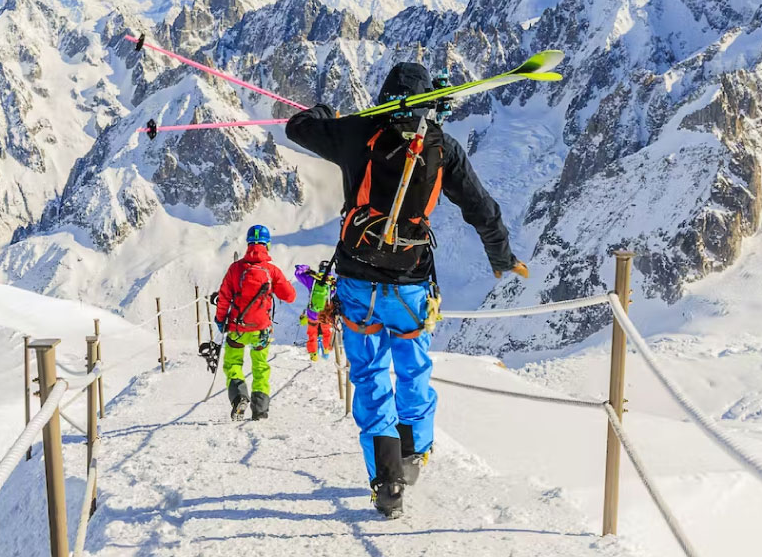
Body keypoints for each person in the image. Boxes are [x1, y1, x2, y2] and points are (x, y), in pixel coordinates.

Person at [285, 62, 530, 518]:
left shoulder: (357, 132)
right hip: (411, 283)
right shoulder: (441, 145)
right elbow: (480, 206)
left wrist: (322, 113)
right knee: (412, 368)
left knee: (370, 376)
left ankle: (386, 479)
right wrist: (500, 255)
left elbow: (297, 128)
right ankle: (414, 453)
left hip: (358, 279)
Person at [214, 224, 297, 421]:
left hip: (237, 327)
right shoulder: (271, 270)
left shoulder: (236, 268)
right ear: (267, 244)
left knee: (233, 362)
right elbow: (291, 296)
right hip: (261, 329)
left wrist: (220, 319)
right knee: (260, 367)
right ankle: (259, 410)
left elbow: (224, 297)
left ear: (248, 243)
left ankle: (239, 396)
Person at [294, 263, 337, 361]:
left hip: (312, 313)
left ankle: (314, 355)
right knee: (327, 333)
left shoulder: (313, 280)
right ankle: (326, 351)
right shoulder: (332, 282)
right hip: (326, 314)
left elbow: (298, 274)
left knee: (312, 334)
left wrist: (304, 268)